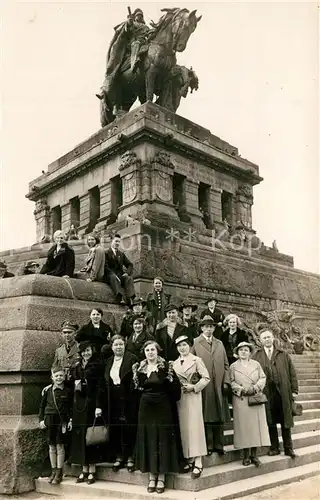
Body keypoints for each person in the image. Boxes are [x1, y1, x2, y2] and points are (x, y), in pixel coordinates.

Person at [133, 341, 182, 494]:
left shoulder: (167, 368)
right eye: (147, 350)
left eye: (153, 349)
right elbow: (133, 391)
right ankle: (151, 476)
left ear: (158, 351)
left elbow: (176, 390)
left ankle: (161, 477)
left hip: (162, 407)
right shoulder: (138, 368)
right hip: (145, 408)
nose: (150, 352)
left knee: (162, 438)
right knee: (149, 439)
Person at [253, 329, 299, 458]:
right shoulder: (257, 356)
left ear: (273, 338)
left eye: (269, 337)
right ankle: (274, 447)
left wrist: (294, 390)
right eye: (264, 338)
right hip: (267, 393)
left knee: (285, 421)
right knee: (270, 421)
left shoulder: (283, 354)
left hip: (283, 392)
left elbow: (292, 373)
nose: (267, 340)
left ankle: (288, 448)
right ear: (260, 341)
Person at [191, 316, 230, 456]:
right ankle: (208, 445)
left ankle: (220, 445)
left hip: (219, 385)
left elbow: (226, 364)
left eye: (211, 327)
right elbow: (191, 364)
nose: (208, 329)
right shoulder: (195, 343)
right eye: (206, 327)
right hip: (205, 386)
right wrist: (197, 382)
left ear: (214, 328)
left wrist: (226, 382)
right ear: (201, 328)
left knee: (219, 414)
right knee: (207, 415)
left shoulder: (219, 343)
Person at [69, 341, 105, 485]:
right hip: (79, 406)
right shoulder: (77, 367)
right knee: (80, 437)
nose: (86, 353)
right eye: (84, 351)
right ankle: (84, 469)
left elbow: (100, 388)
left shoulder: (96, 366)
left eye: (88, 350)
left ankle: (92, 470)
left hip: (91, 404)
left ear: (92, 351)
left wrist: (98, 406)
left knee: (90, 436)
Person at [102, 8, 151, 115]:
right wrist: (128, 24)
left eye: (141, 15)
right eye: (138, 15)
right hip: (131, 48)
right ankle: (133, 62)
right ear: (135, 16)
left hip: (145, 47)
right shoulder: (132, 24)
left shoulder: (146, 27)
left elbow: (151, 36)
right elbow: (124, 31)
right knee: (136, 44)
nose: (140, 17)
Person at [173, 335, 209, 478]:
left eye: (185, 345)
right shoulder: (174, 363)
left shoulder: (196, 360)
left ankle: (198, 461)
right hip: (180, 398)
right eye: (179, 346)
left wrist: (194, 387)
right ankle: (188, 457)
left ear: (189, 346)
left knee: (195, 427)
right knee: (184, 428)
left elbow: (206, 377)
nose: (182, 348)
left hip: (193, 396)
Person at [230, 342, 270, 467]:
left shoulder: (256, 364)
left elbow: (263, 378)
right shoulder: (233, 366)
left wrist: (255, 388)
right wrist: (240, 389)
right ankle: (245, 455)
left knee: (255, 428)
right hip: (241, 399)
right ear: (238, 352)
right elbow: (230, 381)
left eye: (246, 350)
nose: (243, 352)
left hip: (255, 398)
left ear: (249, 352)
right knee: (244, 428)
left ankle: (254, 455)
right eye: (241, 349)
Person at [104, 335, 138, 473]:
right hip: (113, 398)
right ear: (112, 347)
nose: (118, 347)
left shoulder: (132, 358)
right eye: (116, 345)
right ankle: (119, 455)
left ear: (125, 345)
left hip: (128, 398)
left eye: (121, 344)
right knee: (116, 427)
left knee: (129, 427)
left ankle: (130, 456)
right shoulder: (109, 361)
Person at [39, 366, 73, 484]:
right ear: (52, 377)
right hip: (49, 420)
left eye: (61, 375)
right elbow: (42, 407)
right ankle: (53, 470)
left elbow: (70, 407)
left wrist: (70, 420)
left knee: (60, 446)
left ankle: (59, 472)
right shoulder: (48, 391)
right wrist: (41, 420)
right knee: (51, 446)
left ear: (64, 377)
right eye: (56, 376)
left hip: (61, 421)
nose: (59, 378)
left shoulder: (68, 391)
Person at [104, 233, 135, 305]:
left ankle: (131, 298)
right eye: (116, 241)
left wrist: (127, 273)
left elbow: (130, 264)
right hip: (109, 275)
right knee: (113, 277)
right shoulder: (106, 252)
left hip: (120, 275)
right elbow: (105, 267)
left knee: (128, 278)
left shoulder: (121, 254)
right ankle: (120, 297)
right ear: (111, 241)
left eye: (119, 242)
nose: (117, 243)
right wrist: (114, 275)